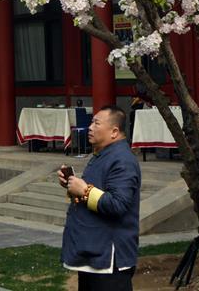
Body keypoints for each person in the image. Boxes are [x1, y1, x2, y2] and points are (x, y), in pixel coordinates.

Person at [59, 105, 141, 291]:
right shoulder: (103, 155)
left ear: (114, 132)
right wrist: (72, 186)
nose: (90, 127)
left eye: (96, 123)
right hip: (94, 253)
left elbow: (118, 204)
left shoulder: (122, 160)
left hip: (109, 258)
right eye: (91, 123)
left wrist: (85, 190)